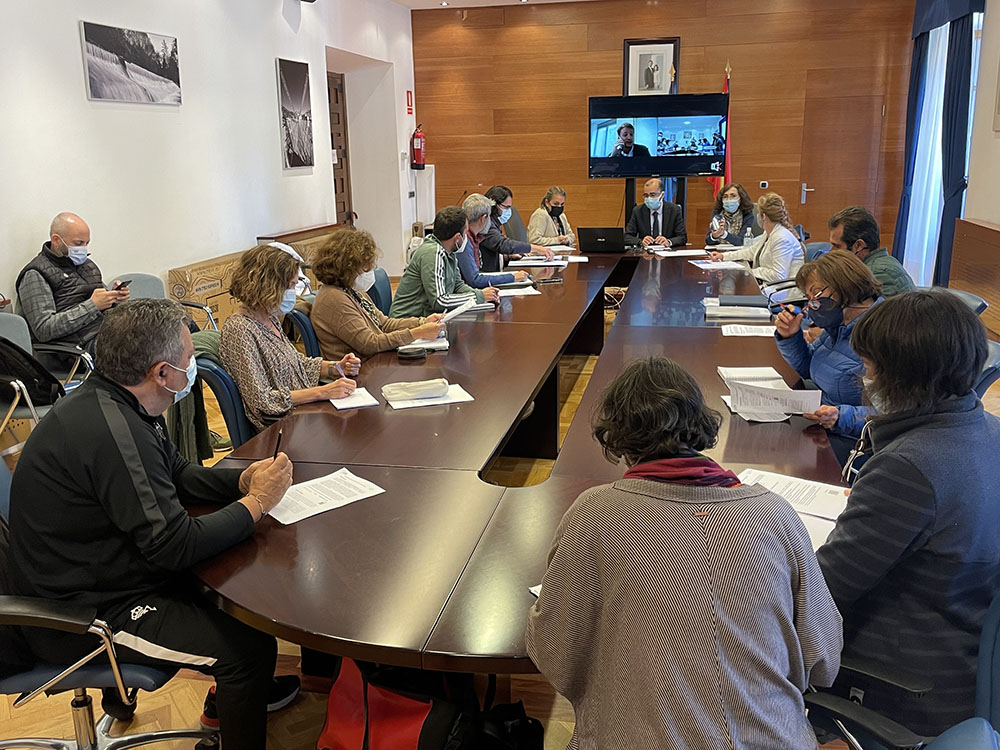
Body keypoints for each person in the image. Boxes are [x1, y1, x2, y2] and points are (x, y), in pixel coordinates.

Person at [7, 298, 299, 750]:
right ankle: (240, 689)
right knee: (246, 652)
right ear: (162, 373)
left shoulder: (119, 400)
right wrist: (257, 504)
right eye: (188, 359)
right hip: (81, 615)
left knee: (243, 594)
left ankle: (237, 700)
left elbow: (177, 473)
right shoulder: (112, 431)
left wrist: (240, 480)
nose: (192, 367)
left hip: (105, 570)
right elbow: (173, 546)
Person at [526, 356, 842, 750]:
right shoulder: (774, 513)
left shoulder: (593, 514)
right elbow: (824, 656)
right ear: (700, 425)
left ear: (617, 437)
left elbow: (555, 650)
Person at [817, 289, 1000, 735]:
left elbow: (824, 594)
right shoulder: (989, 430)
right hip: (964, 659)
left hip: (903, 685)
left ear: (901, 378)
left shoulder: (910, 468)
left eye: (869, 365)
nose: (864, 376)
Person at [219, 245, 360, 431]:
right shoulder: (239, 330)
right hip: (280, 428)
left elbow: (296, 365)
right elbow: (262, 400)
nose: (293, 291)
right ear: (271, 285)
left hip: (303, 416)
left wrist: (336, 368)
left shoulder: (268, 318)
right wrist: (324, 392)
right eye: (291, 285)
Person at [774, 250, 881, 442]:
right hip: (821, 424)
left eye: (816, 293)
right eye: (809, 298)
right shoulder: (838, 326)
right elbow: (809, 368)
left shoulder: (884, 334)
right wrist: (790, 336)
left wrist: (840, 416)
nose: (812, 304)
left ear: (844, 284)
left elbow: (894, 414)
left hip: (852, 438)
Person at [309, 228, 446, 360]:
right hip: (362, 371)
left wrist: (422, 322)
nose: (368, 272)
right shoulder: (333, 299)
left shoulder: (352, 291)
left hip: (375, 361)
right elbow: (369, 344)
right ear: (347, 268)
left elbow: (384, 324)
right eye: (363, 268)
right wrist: (417, 333)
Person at [15, 212, 129, 354]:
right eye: (78, 243)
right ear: (56, 240)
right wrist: (92, 306)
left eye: (87, 243)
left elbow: (102, 304)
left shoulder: (88, 266)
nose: (84, 249)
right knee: (138, 351)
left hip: (104, 333)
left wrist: (116, 298)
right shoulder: (35, 274)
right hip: (74, 349)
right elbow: (43, 329)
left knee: (153, 336)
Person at [390, 205, 500, 318]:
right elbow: (440, 301)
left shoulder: (449, 252)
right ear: (458, 237)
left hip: (428, 318)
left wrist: (483, 295)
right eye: (466, 232)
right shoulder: (433, 253)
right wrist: (479, 296)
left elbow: (458, 286)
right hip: (408, 321)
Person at [709, 192, 803, 283]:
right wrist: (723, 256)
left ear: (764, 216)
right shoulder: (769, 233)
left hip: (780, 292)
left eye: (758, 212)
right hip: (767, 285)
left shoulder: (782, 239)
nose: (757, 216)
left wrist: (750, 272)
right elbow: (751, 251)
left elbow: (779, 276)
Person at [828, 206, 915, 297]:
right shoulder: (882, 263)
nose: (831, 252)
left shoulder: (878, 273)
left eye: (837, 246)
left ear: (858, 246)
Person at [477, 186, 554, 272]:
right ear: (494, 206)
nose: (509, 211)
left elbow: (492, 250)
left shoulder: (494, 222)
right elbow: (502, 244)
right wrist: (537, 248)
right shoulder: (485, 224)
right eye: (506, 207)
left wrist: (507, 256)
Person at [460, 194, 530, 287]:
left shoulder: (474, 237)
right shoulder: (465, 241)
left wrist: (506, 257)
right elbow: (474, 280)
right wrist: (512, 277)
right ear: (484, 218)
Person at [624, 178, 686, 248]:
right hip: (646, 253)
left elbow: (682, 237)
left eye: (652, 195)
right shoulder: (638, 211)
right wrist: (640, 242)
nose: (649, 198)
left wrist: (668, 241)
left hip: (667, 252)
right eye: (646, 195)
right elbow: (627, 237)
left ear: (662, 195)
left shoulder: (674, 210)